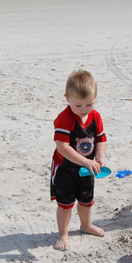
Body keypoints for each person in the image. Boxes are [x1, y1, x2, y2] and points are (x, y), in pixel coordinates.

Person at [50, 70, 107, 251]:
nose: (84, 110)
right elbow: (62, 147)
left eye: (89, 104)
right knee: (65, 204)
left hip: (87, 168)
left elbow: (101, 139)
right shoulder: (64, 118)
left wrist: (100, 156)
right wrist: (85, 161)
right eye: (78, 105)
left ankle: (85, 225)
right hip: (66, 168)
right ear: (67, 99)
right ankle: (63, 234)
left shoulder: (95, 116)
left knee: (86, 200)